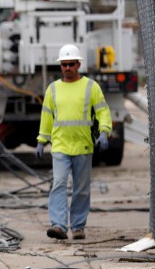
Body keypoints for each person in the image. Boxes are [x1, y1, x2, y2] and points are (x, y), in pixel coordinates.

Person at [35, 44, 111, 240]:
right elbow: (47, 117)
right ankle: (59, 225)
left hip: (84, 145)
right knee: (59, 183)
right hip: (60, 145)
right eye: (64, 64)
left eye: (71, 64)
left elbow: (103, 111)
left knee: (81, 188)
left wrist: (104, 132)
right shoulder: (53, 90)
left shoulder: (91, 87)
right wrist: (42, 140)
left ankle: (78, 226)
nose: (67, 67)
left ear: (78, 65)